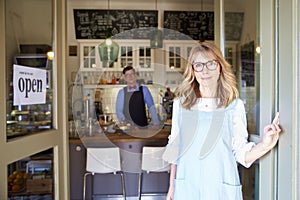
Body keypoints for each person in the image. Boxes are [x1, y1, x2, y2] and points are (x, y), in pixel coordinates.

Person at [162, 41, 282, 200]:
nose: (205, 70)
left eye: (210, 64)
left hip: (221, 188)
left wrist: (265, 144)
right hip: (187, 186)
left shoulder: (234, 106)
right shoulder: (182, 105)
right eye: (198, 65)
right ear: (193, 70)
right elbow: (175, 149)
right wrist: (172, 186)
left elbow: (240, 152)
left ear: (220, 67)